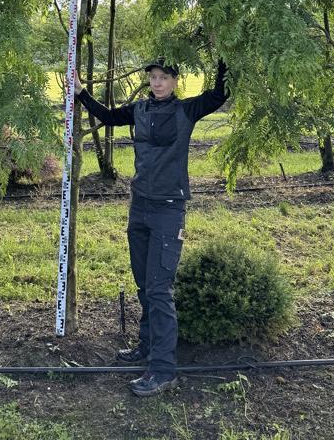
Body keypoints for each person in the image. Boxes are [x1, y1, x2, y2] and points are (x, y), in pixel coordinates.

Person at [74, 55, 228, 397]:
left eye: (164, 77)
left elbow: (219, 96)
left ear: (175, 81)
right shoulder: (140, 110)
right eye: (153, 77)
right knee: (144, 283)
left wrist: (222, 58)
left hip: (168, 209)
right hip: (139, 206)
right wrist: (82, 93)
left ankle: (162, 370)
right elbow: (110, 117)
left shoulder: (187, 111)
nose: (157, 82)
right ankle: (146, 346)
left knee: (160, 289)